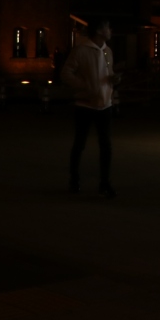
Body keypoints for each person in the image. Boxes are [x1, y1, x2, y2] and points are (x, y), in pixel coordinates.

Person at [62, 17, 118, 199]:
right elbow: (66, 73)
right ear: (99, 31)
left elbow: (108, 72)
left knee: (106, 146)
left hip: (105, 104)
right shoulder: (81, 50)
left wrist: (113, 79)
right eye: (107, 27)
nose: (110, 30)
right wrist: (85, 86)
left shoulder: (107, 51)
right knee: (79, 144)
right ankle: (74, 180)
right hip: (85, 104)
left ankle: (104, 183)